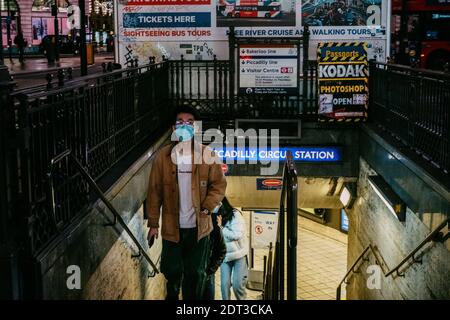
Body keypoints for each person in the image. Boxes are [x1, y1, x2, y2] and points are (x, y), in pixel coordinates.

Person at [146, 105, 227, 300]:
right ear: (174, 129)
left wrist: (207, 207)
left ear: (197, 128)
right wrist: (153, 224)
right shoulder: (163, 157)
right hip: (172, 227)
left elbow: (219, 185)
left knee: (196, 273)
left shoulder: (208, 155)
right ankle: (173, 292)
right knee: (170, 268)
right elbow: (154, 191)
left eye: (190, 123)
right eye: (180, 122)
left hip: (200, 228)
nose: (185, 126)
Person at [220, 197, 249, 300]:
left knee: (238, 286)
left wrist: (221, 228)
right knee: (224, 286)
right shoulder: (214, 216)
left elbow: (236, 235)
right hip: (225, 256)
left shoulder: (235, 215)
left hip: (239, 255)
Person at [202, 203, 227, 300]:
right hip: (191, 276)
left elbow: (222, 251)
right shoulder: (190, 226)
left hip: (208, 275)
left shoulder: (215, 229)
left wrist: (210, 270)